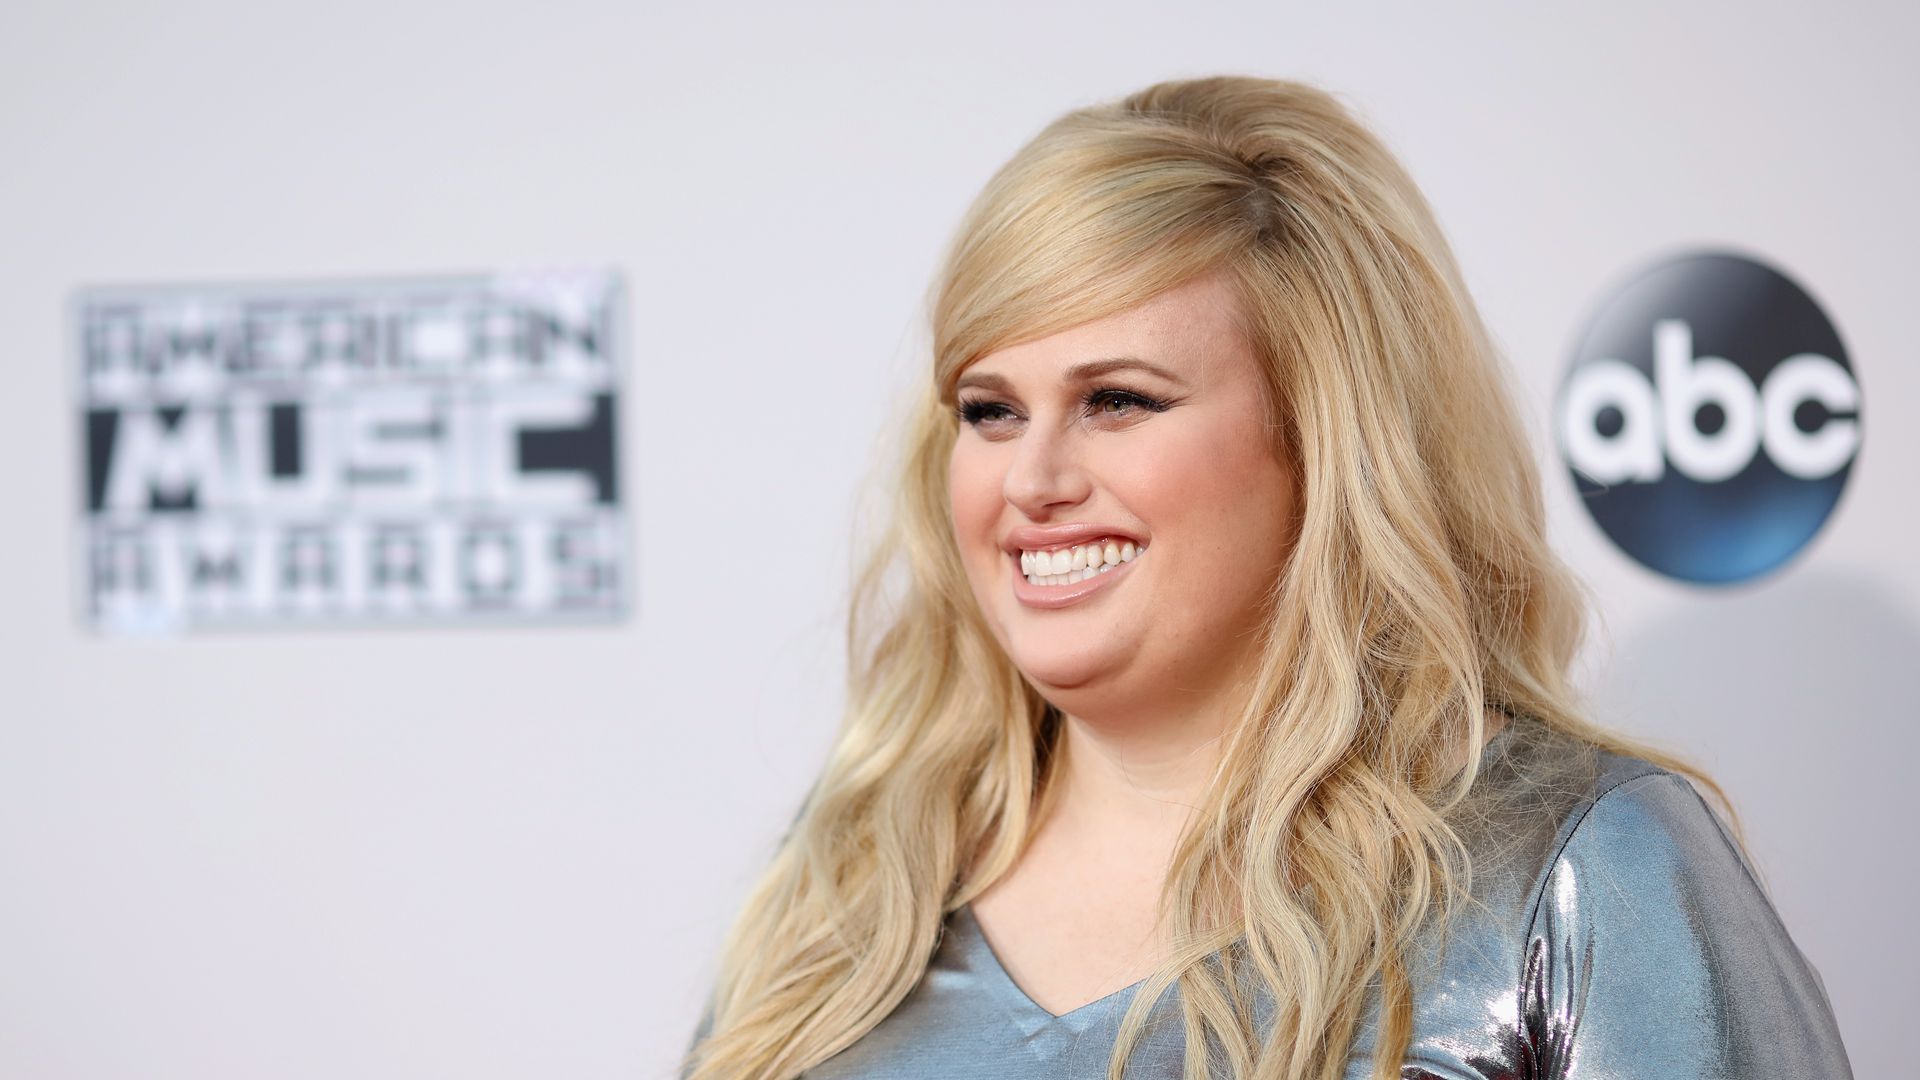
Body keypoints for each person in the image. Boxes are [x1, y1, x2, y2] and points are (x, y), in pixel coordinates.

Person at [678, 75, 1852, 1079]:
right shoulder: (857, 888)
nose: (1031, 478)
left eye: (1117, 400)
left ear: (1320, 440)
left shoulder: (1580, 866)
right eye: (990, 411)